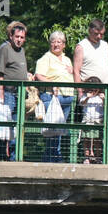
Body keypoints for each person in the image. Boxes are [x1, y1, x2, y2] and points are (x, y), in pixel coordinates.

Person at [34, 30, 75, 162]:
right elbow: (39, 75)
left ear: (64, 45)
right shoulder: (46, 58)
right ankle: (51, 158)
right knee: (52, 130)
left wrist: (73, 71)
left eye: (59, 42)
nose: (56, 44)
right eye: (53, 42)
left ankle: (54, 156)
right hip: (52, 97)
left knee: (60, 130)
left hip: (67, 97)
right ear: (50, 44)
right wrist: (52, 83)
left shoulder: (67, 59)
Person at [0, 21, 30, 161]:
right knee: (4, 127)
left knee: (17, 127)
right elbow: (0, 72)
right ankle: (1, 157)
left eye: (22, 37)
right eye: (17, 37)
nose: (19, 40)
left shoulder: (22, 50)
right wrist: (1, 92)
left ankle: (14, 159)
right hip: (8, 93)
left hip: (20, 93)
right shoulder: (5, 48)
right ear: (11, 36)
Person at [73, 19, 108, 98]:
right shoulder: (81, 46)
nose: (99, 37)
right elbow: (76, 70)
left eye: (101, 34)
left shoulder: (105, 45)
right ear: (89, 31)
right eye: (96, 34)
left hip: (106, 91)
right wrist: (79, 91)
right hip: (90, 92)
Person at [80, 76, 105, 163]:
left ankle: (98, 157)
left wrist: (104, 99)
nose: (93, 92)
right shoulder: (85, 96)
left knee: (97, 140)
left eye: (95, 90)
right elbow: (82, 103)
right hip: (87, 120)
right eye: (91, 90)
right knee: (86, 140)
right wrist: (87, 97)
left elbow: (107, 107)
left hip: (98, 121)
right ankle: (87, 157)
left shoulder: (101, 97)